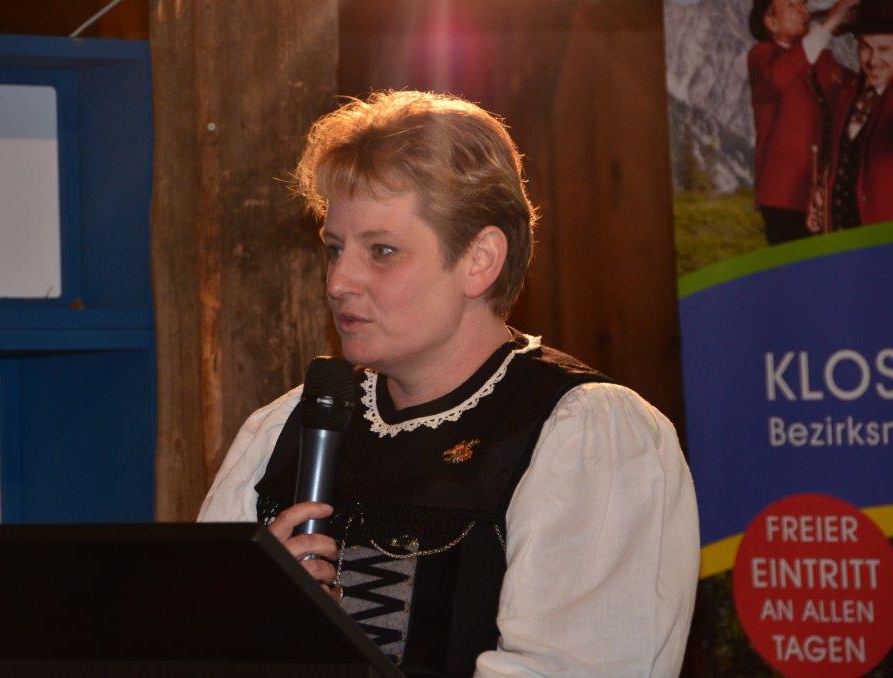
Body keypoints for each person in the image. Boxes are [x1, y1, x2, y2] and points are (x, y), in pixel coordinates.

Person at [197, 91, 699, 676]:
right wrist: (250, 627)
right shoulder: (283, 429)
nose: (338, 281)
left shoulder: (583, 435)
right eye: (334, 249)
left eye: (382, 251)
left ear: (479, 260)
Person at [747, 0, 859, 244]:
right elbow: (780, 76)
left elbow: (857, 88)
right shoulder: (763, 55)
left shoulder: (821, 59)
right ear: (771, 22)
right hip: (785, 196)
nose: (803, 10)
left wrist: (860, 30)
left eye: (804, 3)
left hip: (823, 192)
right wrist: (830, 22)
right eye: (791, 4)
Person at [816, 0, 893, 230]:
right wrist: (835, 17)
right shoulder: (848, 89)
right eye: (865, 47)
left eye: (884, 50)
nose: (873, 61)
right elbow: (808, 55)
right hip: (840, 233)